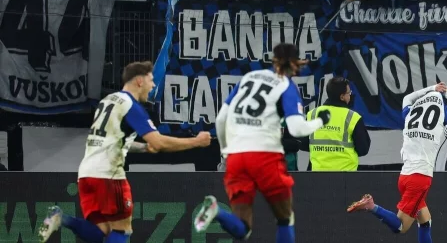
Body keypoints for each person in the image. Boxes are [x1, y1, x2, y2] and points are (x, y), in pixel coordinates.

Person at [38, 61, 212, 243]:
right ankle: (62, 219)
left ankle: (61, 218)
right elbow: (159, 143)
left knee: (102, 232)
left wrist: (144, 147)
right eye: (151, 80)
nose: (153, 86)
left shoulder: (108, 100)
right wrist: (197, 141)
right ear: (139, 81)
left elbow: (113, 140)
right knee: (123, 231)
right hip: (109, 177)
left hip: (86, 175)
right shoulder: (132, 106)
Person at [192, 43, 330, 243]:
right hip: (265, 156)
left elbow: (221, 119)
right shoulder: (285, 85)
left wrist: (225, 151)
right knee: (285, 218)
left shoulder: (248, 78)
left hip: (237, 157)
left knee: (243, 230)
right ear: (297, 64)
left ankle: (217, 211)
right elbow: (297, 129)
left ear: (273, 60)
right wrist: (320, 121)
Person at [346, 83, 447, 242]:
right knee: (401, 227)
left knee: (425, 220)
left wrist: (431, 88)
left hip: (405, 176)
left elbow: (408, 97)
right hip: (420, 179)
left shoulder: (410, 113)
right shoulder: (443, 114)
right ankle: (371, 206)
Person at [304, 76, 371, 171]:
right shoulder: (352, 117)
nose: (350, 95)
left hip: (318, 176)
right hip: (346, 178)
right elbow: (363, 149)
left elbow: (303, 144)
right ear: (342, 97)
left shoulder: (312, 115)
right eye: (349, 93)